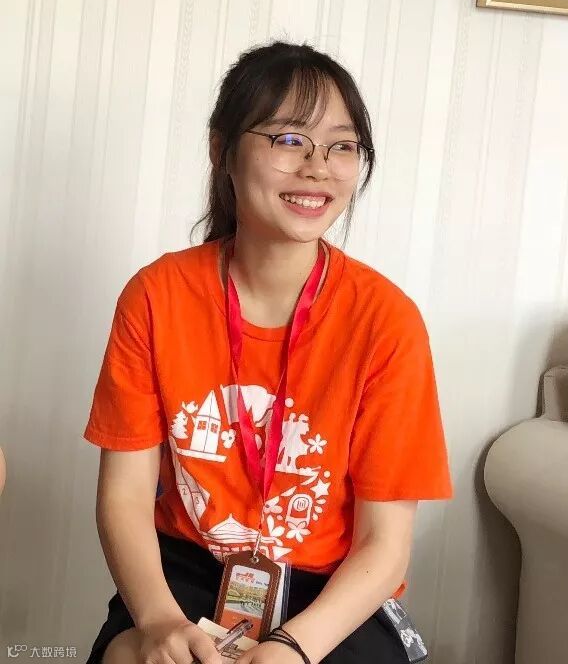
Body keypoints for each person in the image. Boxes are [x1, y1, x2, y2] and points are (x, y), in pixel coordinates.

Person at [83, 41, 453, 664]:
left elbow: (385, 543)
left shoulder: (386, 321)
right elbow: (124, 495)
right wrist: (159, 621)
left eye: (342, 146)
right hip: (185, 574)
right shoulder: (157, 296)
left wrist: (294, 648)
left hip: (332, 592)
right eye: (288, 139)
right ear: (221, 149)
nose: (317, 168)